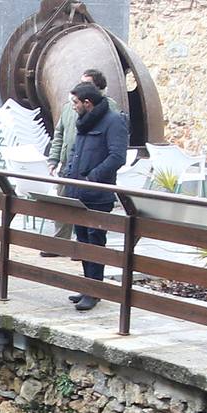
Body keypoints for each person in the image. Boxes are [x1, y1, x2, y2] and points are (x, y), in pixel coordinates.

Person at [62, 80, 129, 311]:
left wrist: (93, 177)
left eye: (75, 102)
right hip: (77, 191)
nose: (73, 106)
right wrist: (69, 175)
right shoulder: (83, 122)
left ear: (87, 103)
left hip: (98, 194)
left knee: (95, 240)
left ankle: (95, 290)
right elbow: (75, 151)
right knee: (82, 241)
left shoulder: (113, 121)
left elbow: (117, 156)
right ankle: (87, 286)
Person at [43, 68, 106, 254]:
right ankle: (60, 244)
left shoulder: (106, 108)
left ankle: (81, 247)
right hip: (68, 164)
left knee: (85, 210)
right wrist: (54, 158)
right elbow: (59, 133)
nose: (82, 87)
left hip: (89, 168)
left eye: (87, 84)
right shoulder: (69, 107)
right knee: (63, 204)